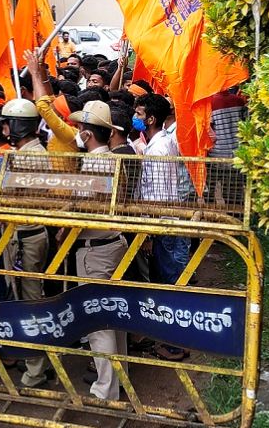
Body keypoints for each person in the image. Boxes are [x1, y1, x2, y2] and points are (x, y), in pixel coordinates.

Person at [67, 101, 129, 400]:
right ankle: (119, 380)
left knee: (98, 321)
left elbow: (81, 209)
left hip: (96, 251)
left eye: (80, 128)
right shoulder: (115, 160)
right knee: (115, 317)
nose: (77, 133)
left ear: (88, 135)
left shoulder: (94, 165)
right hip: (114, 244)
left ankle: (106, 390)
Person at [0, 98, 53, 387]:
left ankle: (36, 369)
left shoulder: (31, 156)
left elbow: (7, 192)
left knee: (30, 303)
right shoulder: (27, 152)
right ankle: (38, 358)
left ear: (19, 125)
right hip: (23, 236)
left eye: (8, 123)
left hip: (26, 238)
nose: (4, 129)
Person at [134, 94, 190, 361]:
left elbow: (156, 194)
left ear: (151, 119)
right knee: (173, 280)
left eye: (140, 114)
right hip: (170, 220)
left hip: (163, 223)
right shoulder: (163, 142)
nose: (136, 118)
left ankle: (175, 344)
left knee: (168, 283)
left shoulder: (157, 149)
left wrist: (149, 230)